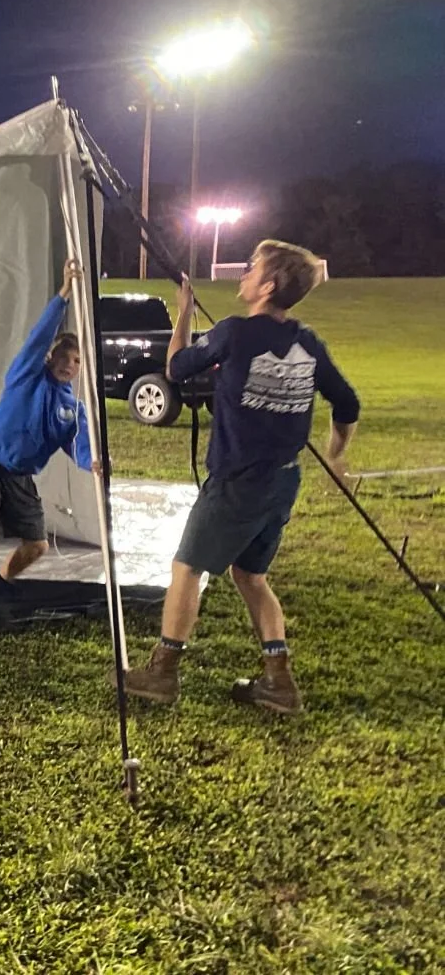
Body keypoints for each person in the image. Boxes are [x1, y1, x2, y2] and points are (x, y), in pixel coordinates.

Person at [123, 239, 359, 714]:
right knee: (250, 574)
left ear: (268, 286)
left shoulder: (233, 332)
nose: (244, 273)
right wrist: (336, 458)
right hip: (282, 482)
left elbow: (174, 369)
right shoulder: (308, 342)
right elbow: (347, 404)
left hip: (236, 482)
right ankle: (279, 682)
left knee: (187, 568)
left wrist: (183, 313)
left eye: (253, 268)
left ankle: (162, 673)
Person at [0, 258, 94, 627]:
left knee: (37, 545)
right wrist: (64, 295)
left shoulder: (73, 409)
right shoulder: (27, 374)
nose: (68, 364)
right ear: (49, 356)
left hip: (21, 477)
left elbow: (81, 447)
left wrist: (95, 464)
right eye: (63, 355)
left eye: (76, 360)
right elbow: (39, 335)